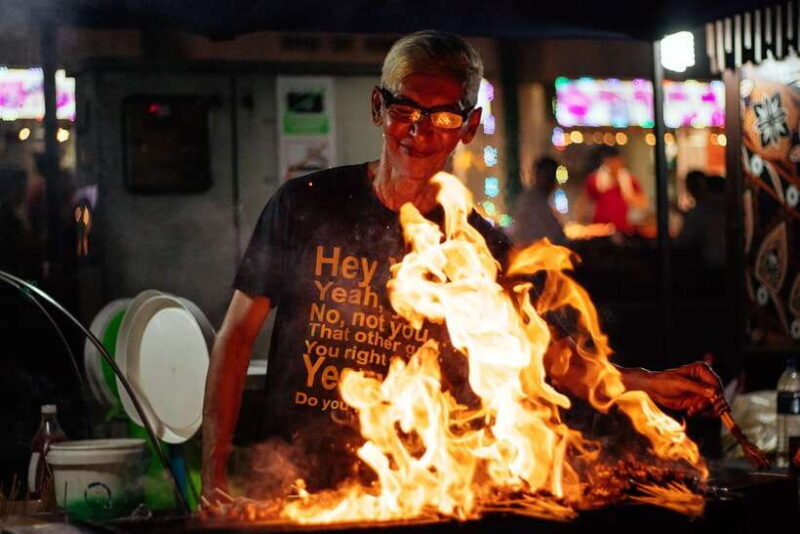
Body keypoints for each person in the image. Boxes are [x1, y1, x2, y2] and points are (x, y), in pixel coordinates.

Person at [201, 30, 722, 501]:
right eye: (406, 109)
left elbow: (553, 357)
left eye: (444, 116)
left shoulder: (479, 246)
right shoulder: (306, 204)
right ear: (378, 107)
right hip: (292, 483)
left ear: (469, 127)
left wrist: (647, 383)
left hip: (414, 492)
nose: (420, 131)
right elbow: (236, 338)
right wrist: (214, 477)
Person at [582, 146, 647, 234]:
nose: (614, 165)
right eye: (611, 161)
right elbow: (584, 202)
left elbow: (643, 204)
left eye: (616, 161)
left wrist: (628, 193)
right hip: (600, 228)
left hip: (623, 228)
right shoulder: (595, 180)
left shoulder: (630, 180)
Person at [511, 157, 567, 246]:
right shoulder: (532, 203)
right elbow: (552, 237)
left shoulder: (535, 200)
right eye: (549, 176)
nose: (552, 181)